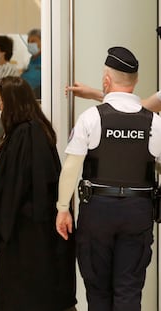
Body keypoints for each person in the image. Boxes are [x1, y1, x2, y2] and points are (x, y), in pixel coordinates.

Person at [56, 47, 161, 311]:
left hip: (98, 211)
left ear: (106, 80)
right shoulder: (154, 122)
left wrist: (62, 209)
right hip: (138, 211)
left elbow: (71, 167)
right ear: (136, 81)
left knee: (98, 290)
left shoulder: (92, 117)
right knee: (129, 288)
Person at [0, 76, 76, 311]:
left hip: (27, 232)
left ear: (12, 103)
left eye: (0, 100)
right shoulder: (32, 130)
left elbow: (15, 185)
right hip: (33, 228)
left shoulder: (26, 134)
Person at [21, 28, 42, 98]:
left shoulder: (46, 60)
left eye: (33, 41)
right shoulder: (31, 59)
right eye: (28, 41)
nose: (30, 44)